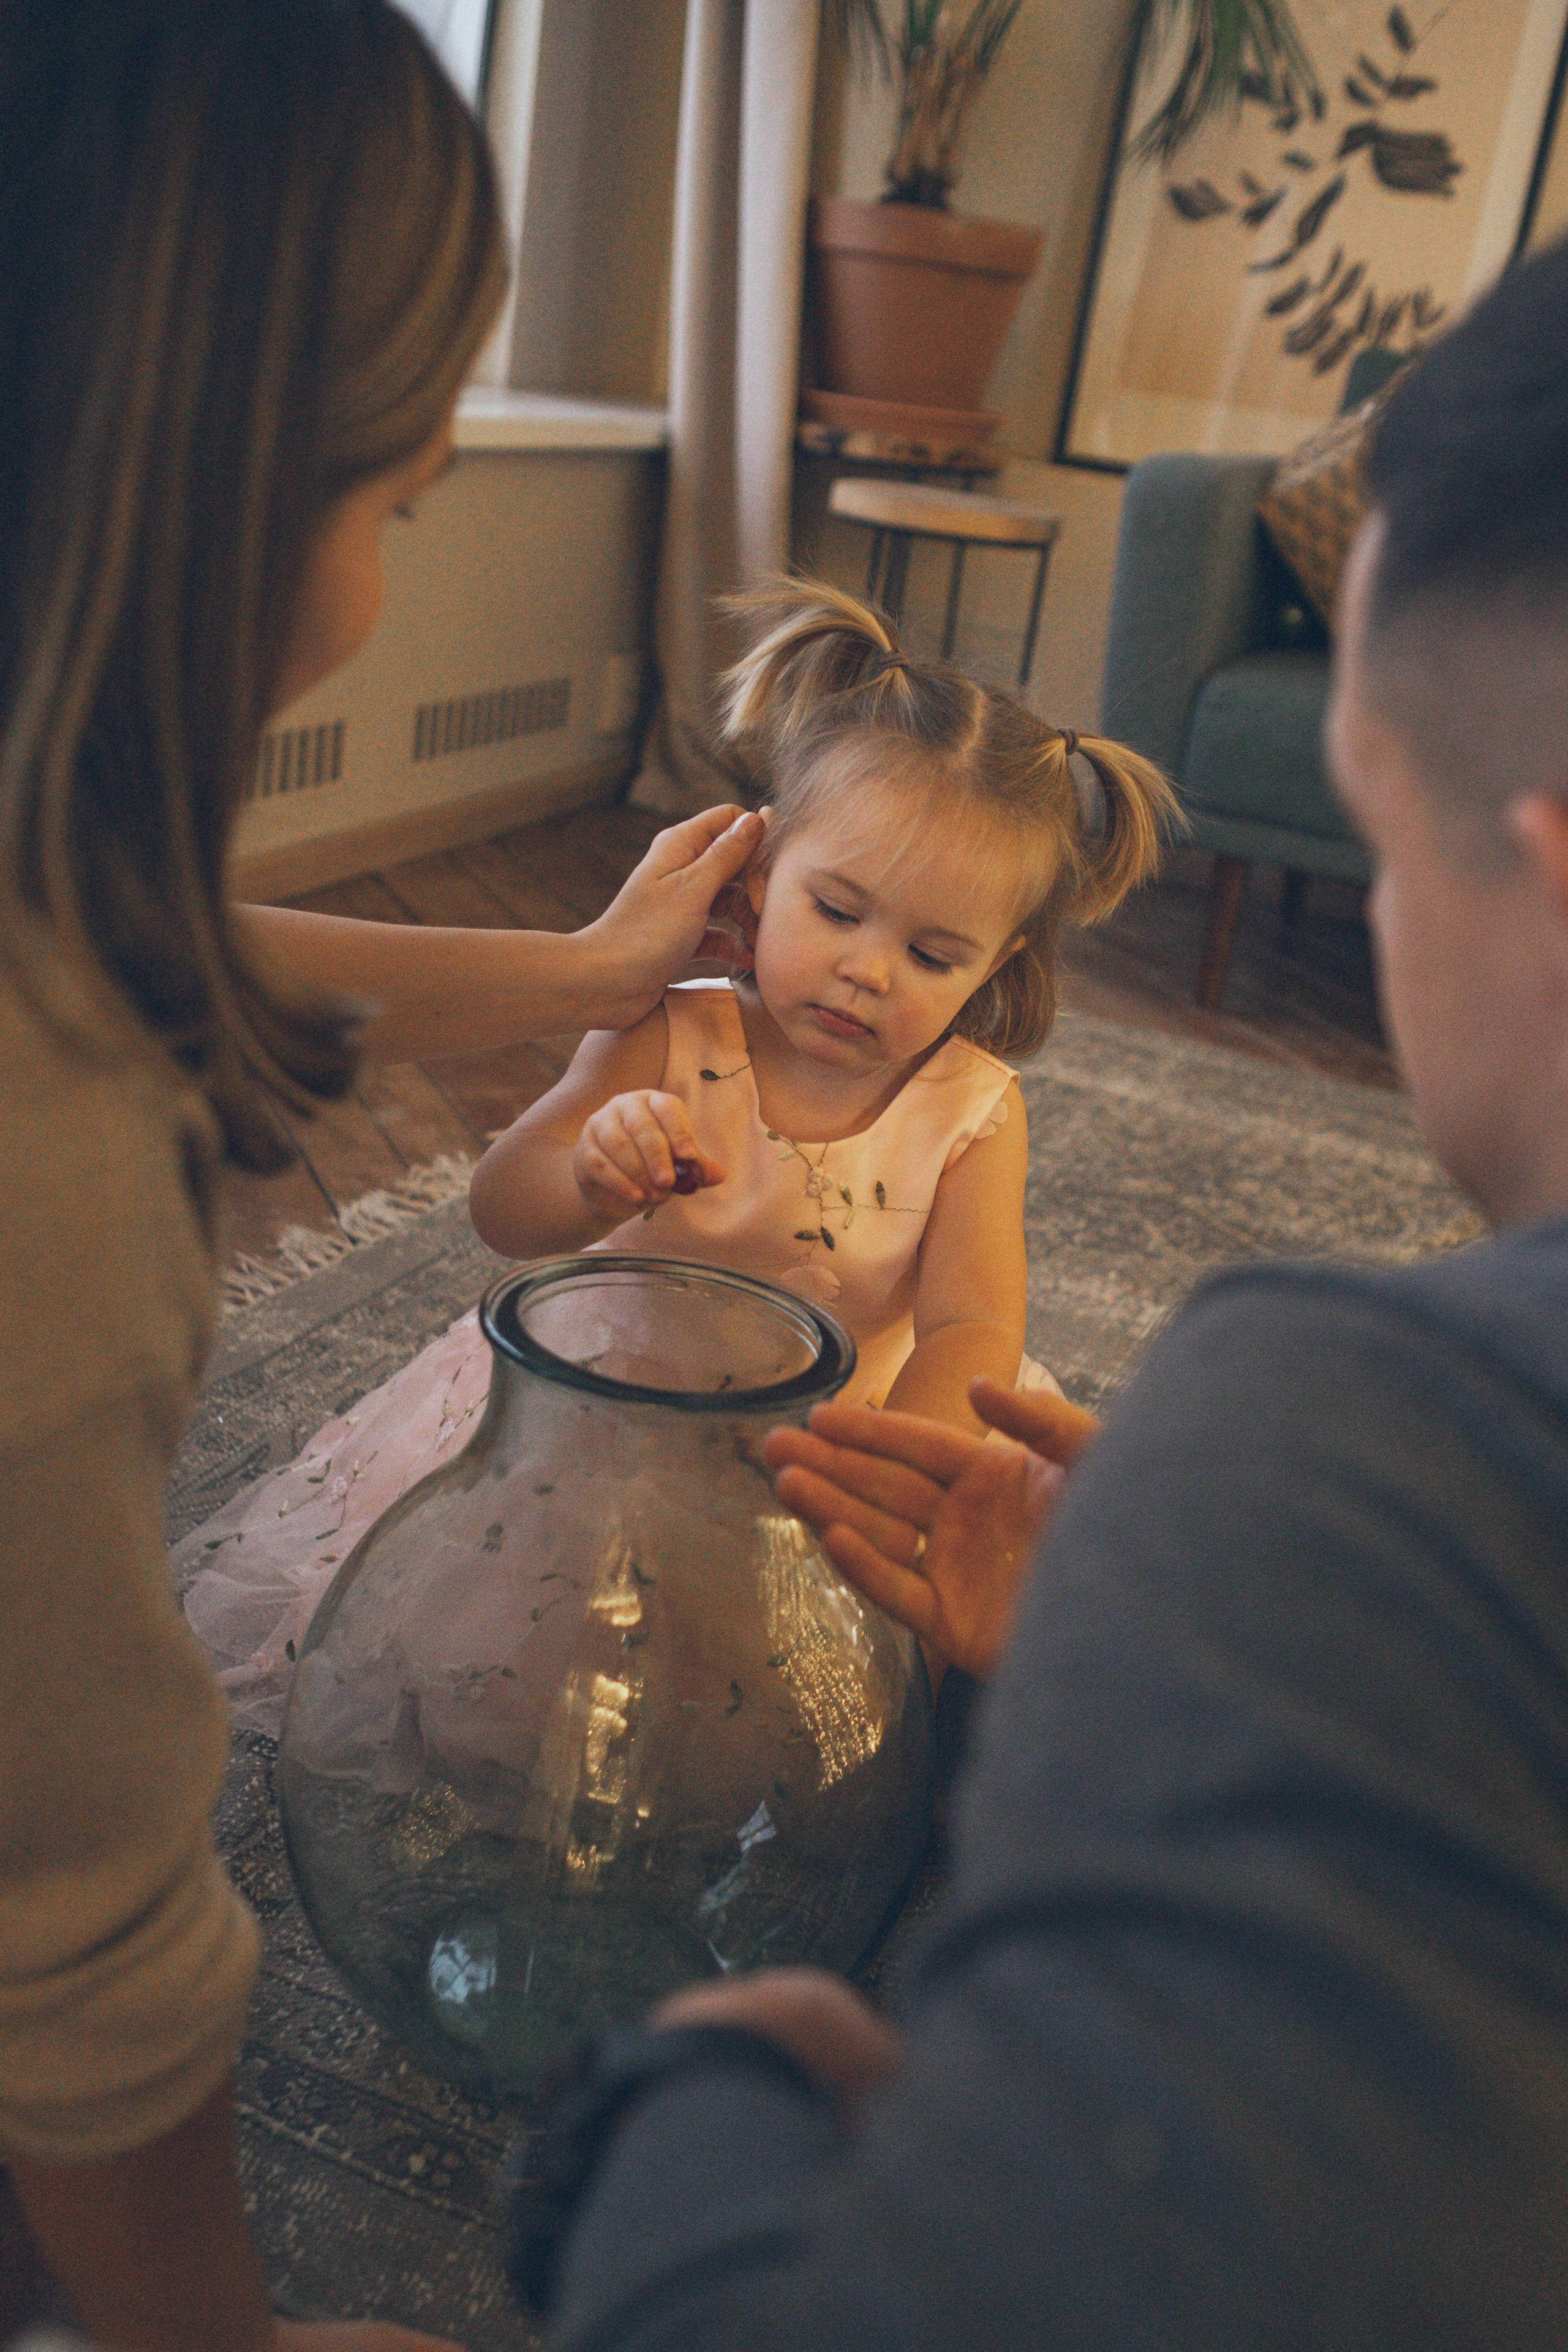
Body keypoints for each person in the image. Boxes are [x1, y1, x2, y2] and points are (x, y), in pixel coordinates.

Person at [508, 237, 1568, 2349]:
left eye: (1378, 844)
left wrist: (706, 2089)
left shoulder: (1355, 1440)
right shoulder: (680, 1027)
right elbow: (513, 1189)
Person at [0, 7, 760, 2348]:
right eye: (395, 503)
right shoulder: (51, 1166)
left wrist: (582, 965)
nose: (387, 572)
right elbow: (78, 1929)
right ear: (188, 476)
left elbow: (139, 935)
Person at [176, 578, 1175, 1728]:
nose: (869, 970)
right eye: (838, 911)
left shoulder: (975, 1110)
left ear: (998, 968)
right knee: (518, 1680)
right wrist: (586, 1174)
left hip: (832, 1445)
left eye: (934, 955)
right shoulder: (667, 1024)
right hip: (609, 1427)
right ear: (757, 872)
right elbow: (503, 1209)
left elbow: (972, 1329)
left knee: (830, 1706)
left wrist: (898, 1469)